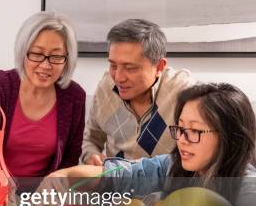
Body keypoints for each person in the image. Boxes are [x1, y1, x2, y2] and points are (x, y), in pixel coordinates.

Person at [52, 83, 256, 206]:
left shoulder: (250, 190)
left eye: (194, 131)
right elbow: (120, 175)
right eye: (180, 128)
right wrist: (66, 178)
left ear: (230, 137)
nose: (182, 140)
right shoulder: (173, 166)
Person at [0, 11, 86, 182]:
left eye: (56, 56)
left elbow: (69, 161)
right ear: (23, 52)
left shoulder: (74, 96)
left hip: (40, 198)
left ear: (67, 59)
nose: (46, 65)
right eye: (37, 54)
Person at [81, 19, 196, 166]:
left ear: (159, 66)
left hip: (166, 185)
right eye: (113, 65)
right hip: (115, 182)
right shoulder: (106, 86)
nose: (118, 78)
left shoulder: (183, 91)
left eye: (130, 68)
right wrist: (91, 155)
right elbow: (90, 138)